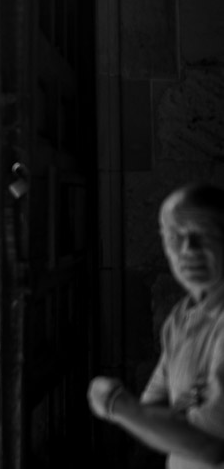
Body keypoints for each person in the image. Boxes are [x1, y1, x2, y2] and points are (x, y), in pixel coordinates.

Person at [88, 183, 224, 468]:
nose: (188, 250)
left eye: (204, 233)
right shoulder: (181, 317)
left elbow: (209, 447)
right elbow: (154, 409)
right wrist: (173, 420)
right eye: (174, 237)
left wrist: (116, 404)